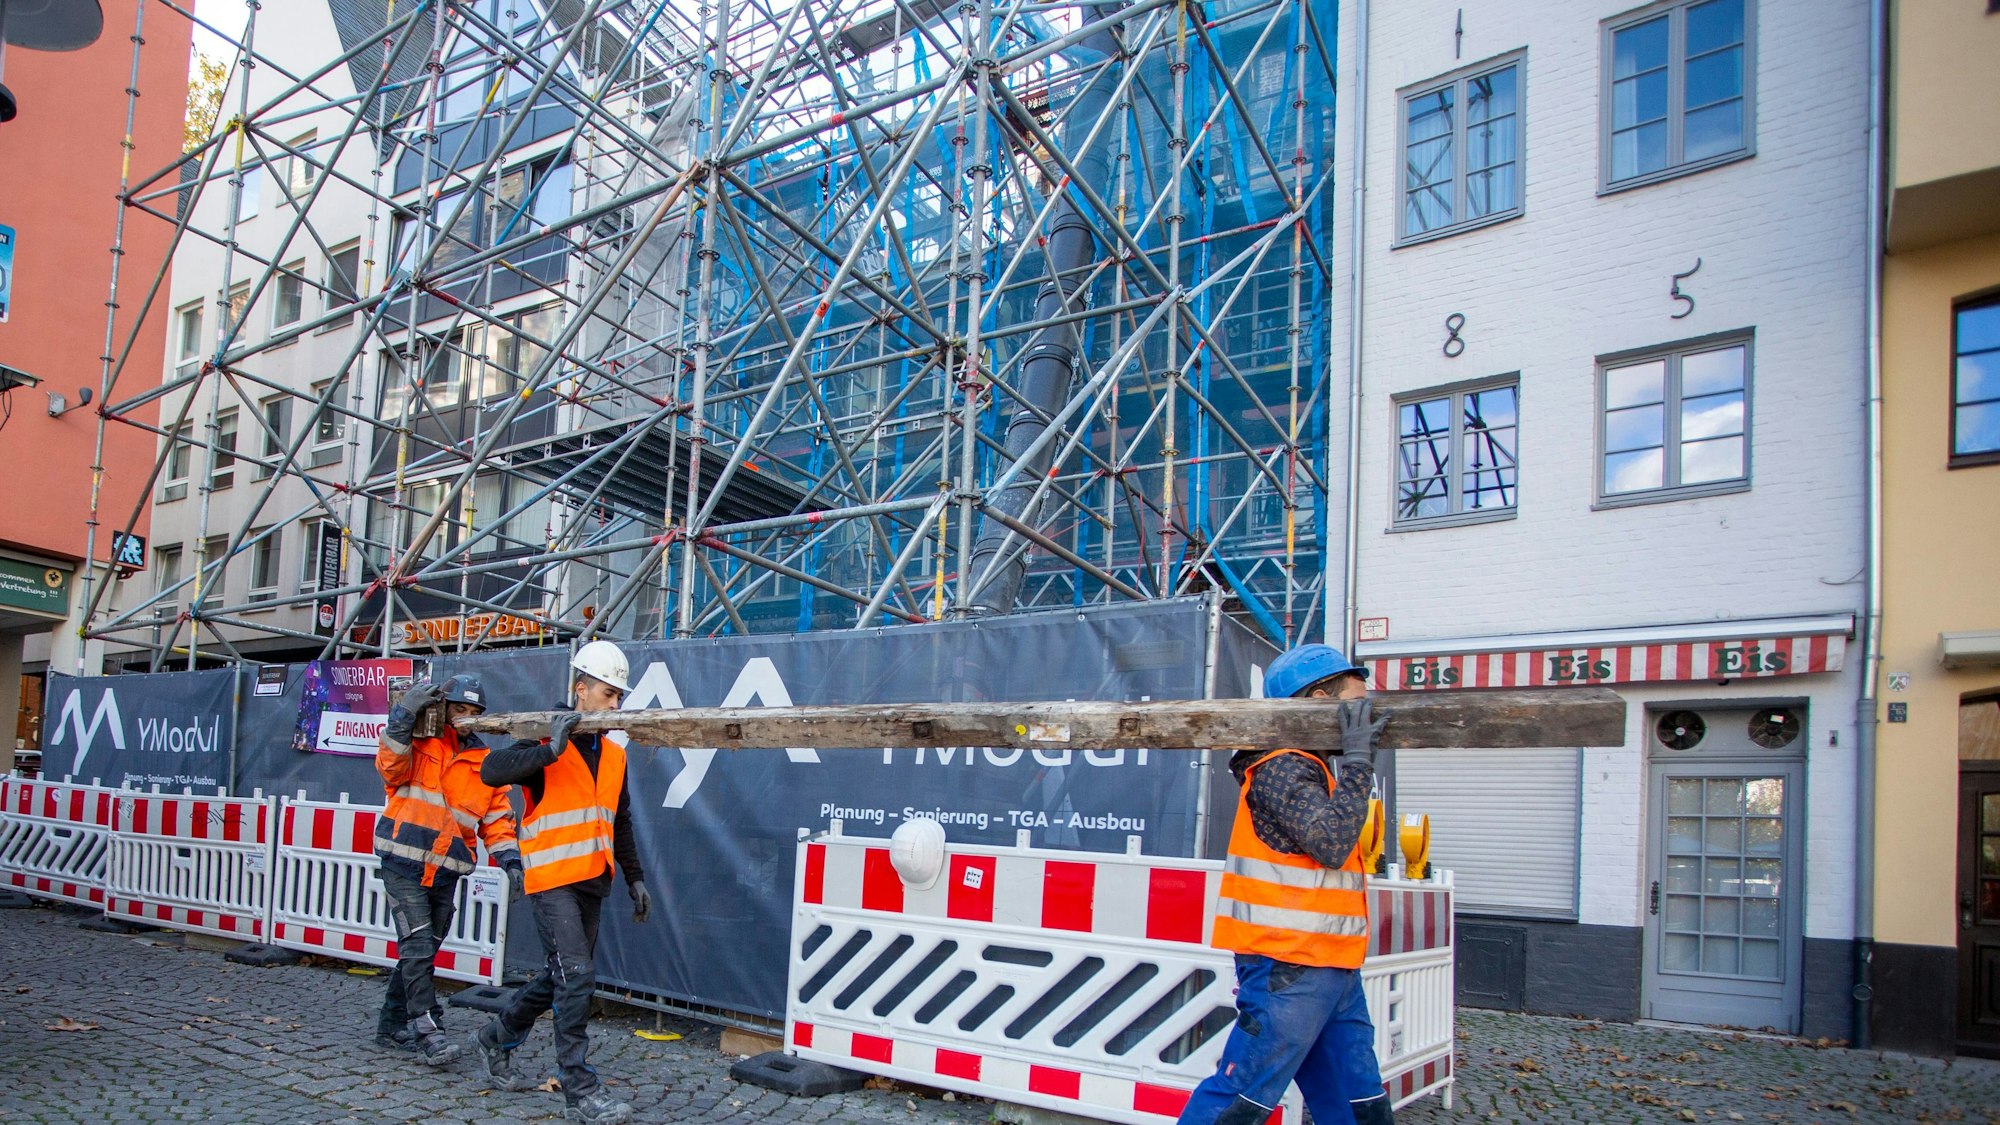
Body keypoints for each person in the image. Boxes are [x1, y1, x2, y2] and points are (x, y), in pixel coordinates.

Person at [1177, 643, 1394, 1125]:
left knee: (1358, 1101)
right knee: (1242, 1098)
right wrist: (1358, 762)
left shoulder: (1310, 767)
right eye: (1358, 704)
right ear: (1319, 700)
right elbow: (1332, 842)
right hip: (1288, 966)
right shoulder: (1279, 765)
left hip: (1325, 963)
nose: (1369, 715)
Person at [475, 640, 652, 1124]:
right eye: (609, 694)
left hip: (592, 880)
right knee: (576, 977)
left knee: (562, 978)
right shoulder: (543, 736)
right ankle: (579, 1090)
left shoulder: (614, 755)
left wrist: (634, 877)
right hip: (551, 879)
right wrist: (548, 751)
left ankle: (496, 1037)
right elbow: (492, 770)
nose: (617, 705)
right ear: (581, 690)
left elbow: (620, 821)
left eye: (620, 696)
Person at [373, 673, 524, 1064]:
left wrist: (510, 860)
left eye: (474, 711)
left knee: (421, 950)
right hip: (403, 861)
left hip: (445, 870)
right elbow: (389, 767)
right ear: (442, 709)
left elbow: (497, 818)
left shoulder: (485, 761)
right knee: (419, 945)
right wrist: (403, 715)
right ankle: (428, 1029)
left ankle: (391, 1025)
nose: (466, 717)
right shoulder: (419, 742)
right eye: (460, 708)